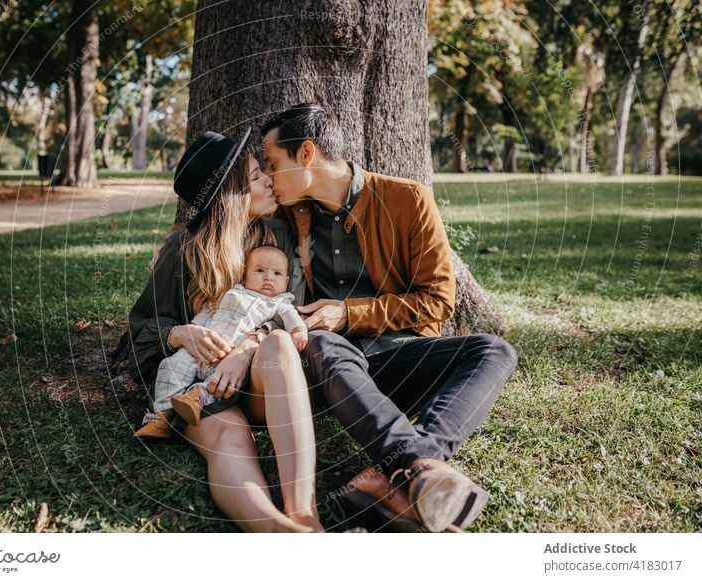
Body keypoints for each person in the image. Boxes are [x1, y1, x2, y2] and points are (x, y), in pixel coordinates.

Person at [260, 103, 519, 532]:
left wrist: (348, 313)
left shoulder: (407, 198)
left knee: (495, 350)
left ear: (306, 154)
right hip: (332, 371)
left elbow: (438, 301)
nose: (268, 177)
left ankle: (408, 466)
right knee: (323, 341)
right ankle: (417, 471)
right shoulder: (290, 213)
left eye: (273, 164)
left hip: (402, 361)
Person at [127, 129, 322, 533]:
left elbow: (288, 311)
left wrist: (246, 350)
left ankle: (304, 513)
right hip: (196, 387)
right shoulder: (185, 250)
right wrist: (181, 334)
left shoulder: (278, 238)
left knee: (281, 344)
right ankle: (281, 533)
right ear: (229, 195)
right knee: (231, 438)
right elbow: (140, 331)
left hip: (257, 377)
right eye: (255, 176)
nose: (269, 179)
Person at [146, 245, 308, 427]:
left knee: (219, 383)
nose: (268, 278)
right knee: (172, 366)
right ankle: (161, 414)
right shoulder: (232, 291)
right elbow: (209, 312)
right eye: (260, 270)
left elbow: (291, 316)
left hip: (230, 357)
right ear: (245, 275)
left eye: (277, 274)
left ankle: (195, 400)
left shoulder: (280, 302)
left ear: (286, 281)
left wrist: (298, 330)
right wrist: (193, 328)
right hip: (202, 347)